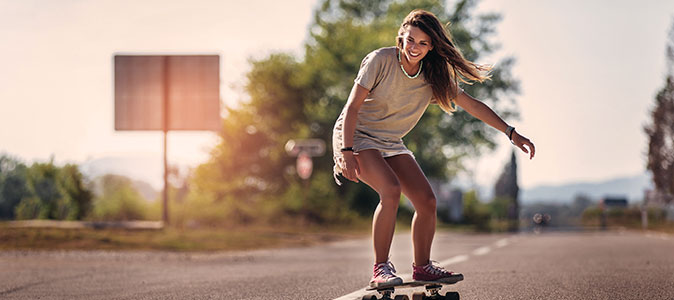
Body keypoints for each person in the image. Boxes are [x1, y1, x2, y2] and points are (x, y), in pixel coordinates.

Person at [332, 9, 536, 288]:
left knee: (427, 201)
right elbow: (352, 107)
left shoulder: (433, 76)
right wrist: (346, 151)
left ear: (431, 47)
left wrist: (510, 132)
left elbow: (473, 106)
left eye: (423, 43)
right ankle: (380, 268)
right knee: (390, 190)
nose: (415, 48)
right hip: (356, 134)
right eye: (411, 40)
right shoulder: (380, 60)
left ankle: (423, 267)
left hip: (390, 141)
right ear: (401, 38)